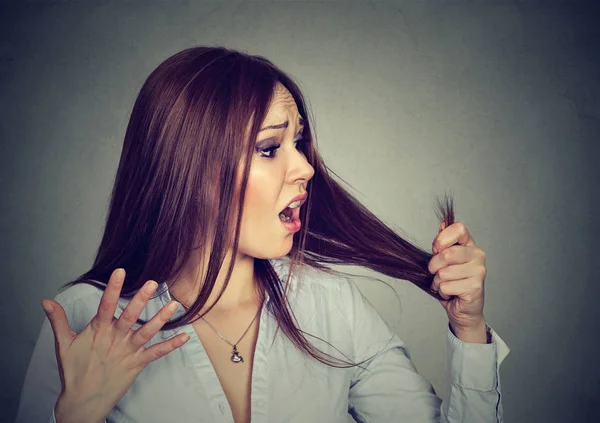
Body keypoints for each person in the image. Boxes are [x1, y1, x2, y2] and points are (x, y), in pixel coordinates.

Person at [15, 46, 510, 423]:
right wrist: (76, 415)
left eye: (299, 142)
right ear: (190, 166)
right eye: (270, 148)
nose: (305, 169)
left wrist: (469, 329)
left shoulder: (330, 308)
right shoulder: (86, 321)